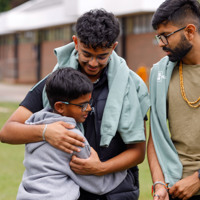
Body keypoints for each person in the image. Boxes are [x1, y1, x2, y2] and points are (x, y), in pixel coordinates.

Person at [0, 9, 150, 200]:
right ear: (76, 42)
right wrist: (46, 132)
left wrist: (100, 168)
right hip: (69, 191)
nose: (93, 63)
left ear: (113, 47)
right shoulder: (55, 83)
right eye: (87, 54)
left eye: (102, 56)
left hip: (118, 191)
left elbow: (138, 152)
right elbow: (7, 132)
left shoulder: (133, 86)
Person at [17, 67, 127, 200]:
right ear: (60, 106)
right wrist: (122, 171)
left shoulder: (36, 125)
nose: (88, 108)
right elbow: (98, 184)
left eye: (89, 102)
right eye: (82, 105)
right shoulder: (72, 137)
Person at [147, 0, 200, 200]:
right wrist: (159, 184)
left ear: (189, 31)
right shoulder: (159, 73)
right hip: (176, 189)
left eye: (165, 36)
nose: (161, 43)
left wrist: (198, 179)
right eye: (158, 36)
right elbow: (155, 133)